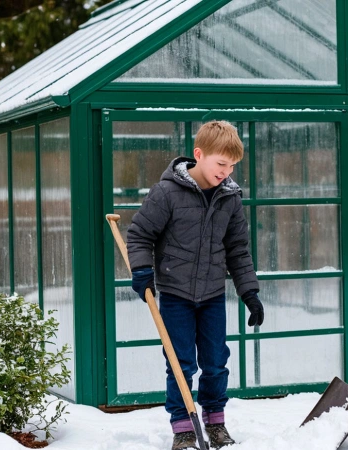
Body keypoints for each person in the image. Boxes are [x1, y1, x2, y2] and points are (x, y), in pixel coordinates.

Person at [126, 120, 264, 450]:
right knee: (180, 362)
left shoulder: (230, 197)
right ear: (199, 155)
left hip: (213, 295)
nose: (226, 172)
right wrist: (142, 270)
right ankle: (183, 428)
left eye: (232, 166)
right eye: (221, 164)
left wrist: (249, 292)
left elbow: (237, 250)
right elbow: (140, 234)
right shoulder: (167, 193)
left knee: (216, 361)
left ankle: (215, 421)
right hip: (176, 295)